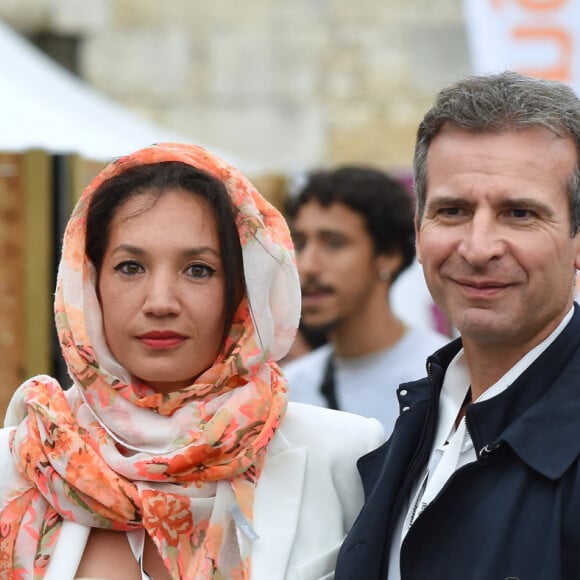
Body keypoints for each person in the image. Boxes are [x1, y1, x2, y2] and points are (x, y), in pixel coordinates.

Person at [0, 143, 384, 579]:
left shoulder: (343, 456)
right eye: (130, 267)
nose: (161, 302)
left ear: (242, 292)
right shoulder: (22, 462)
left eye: (198, 270)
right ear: (89, 283)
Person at [335, 71, 580, 579]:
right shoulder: (420, 415)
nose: (477, 247)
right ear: (418, 229)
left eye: (519, 213)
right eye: (453, 210)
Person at [282, 166, 448, 433]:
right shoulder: (287, 390)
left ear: (388, 256)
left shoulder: (445, 379)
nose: (307, 265)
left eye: (333, 243)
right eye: (300, 244)